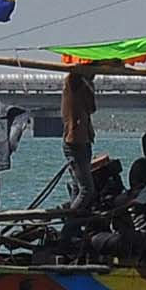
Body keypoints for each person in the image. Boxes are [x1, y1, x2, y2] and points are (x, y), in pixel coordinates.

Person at [60, 64, 99, 202]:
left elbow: (92, 107)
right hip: (75, 143)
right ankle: (71, 223)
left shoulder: (84, 87)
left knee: (78, 187)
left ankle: (74, 220)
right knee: (87, 190)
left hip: (83, 141)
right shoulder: (73, 82)